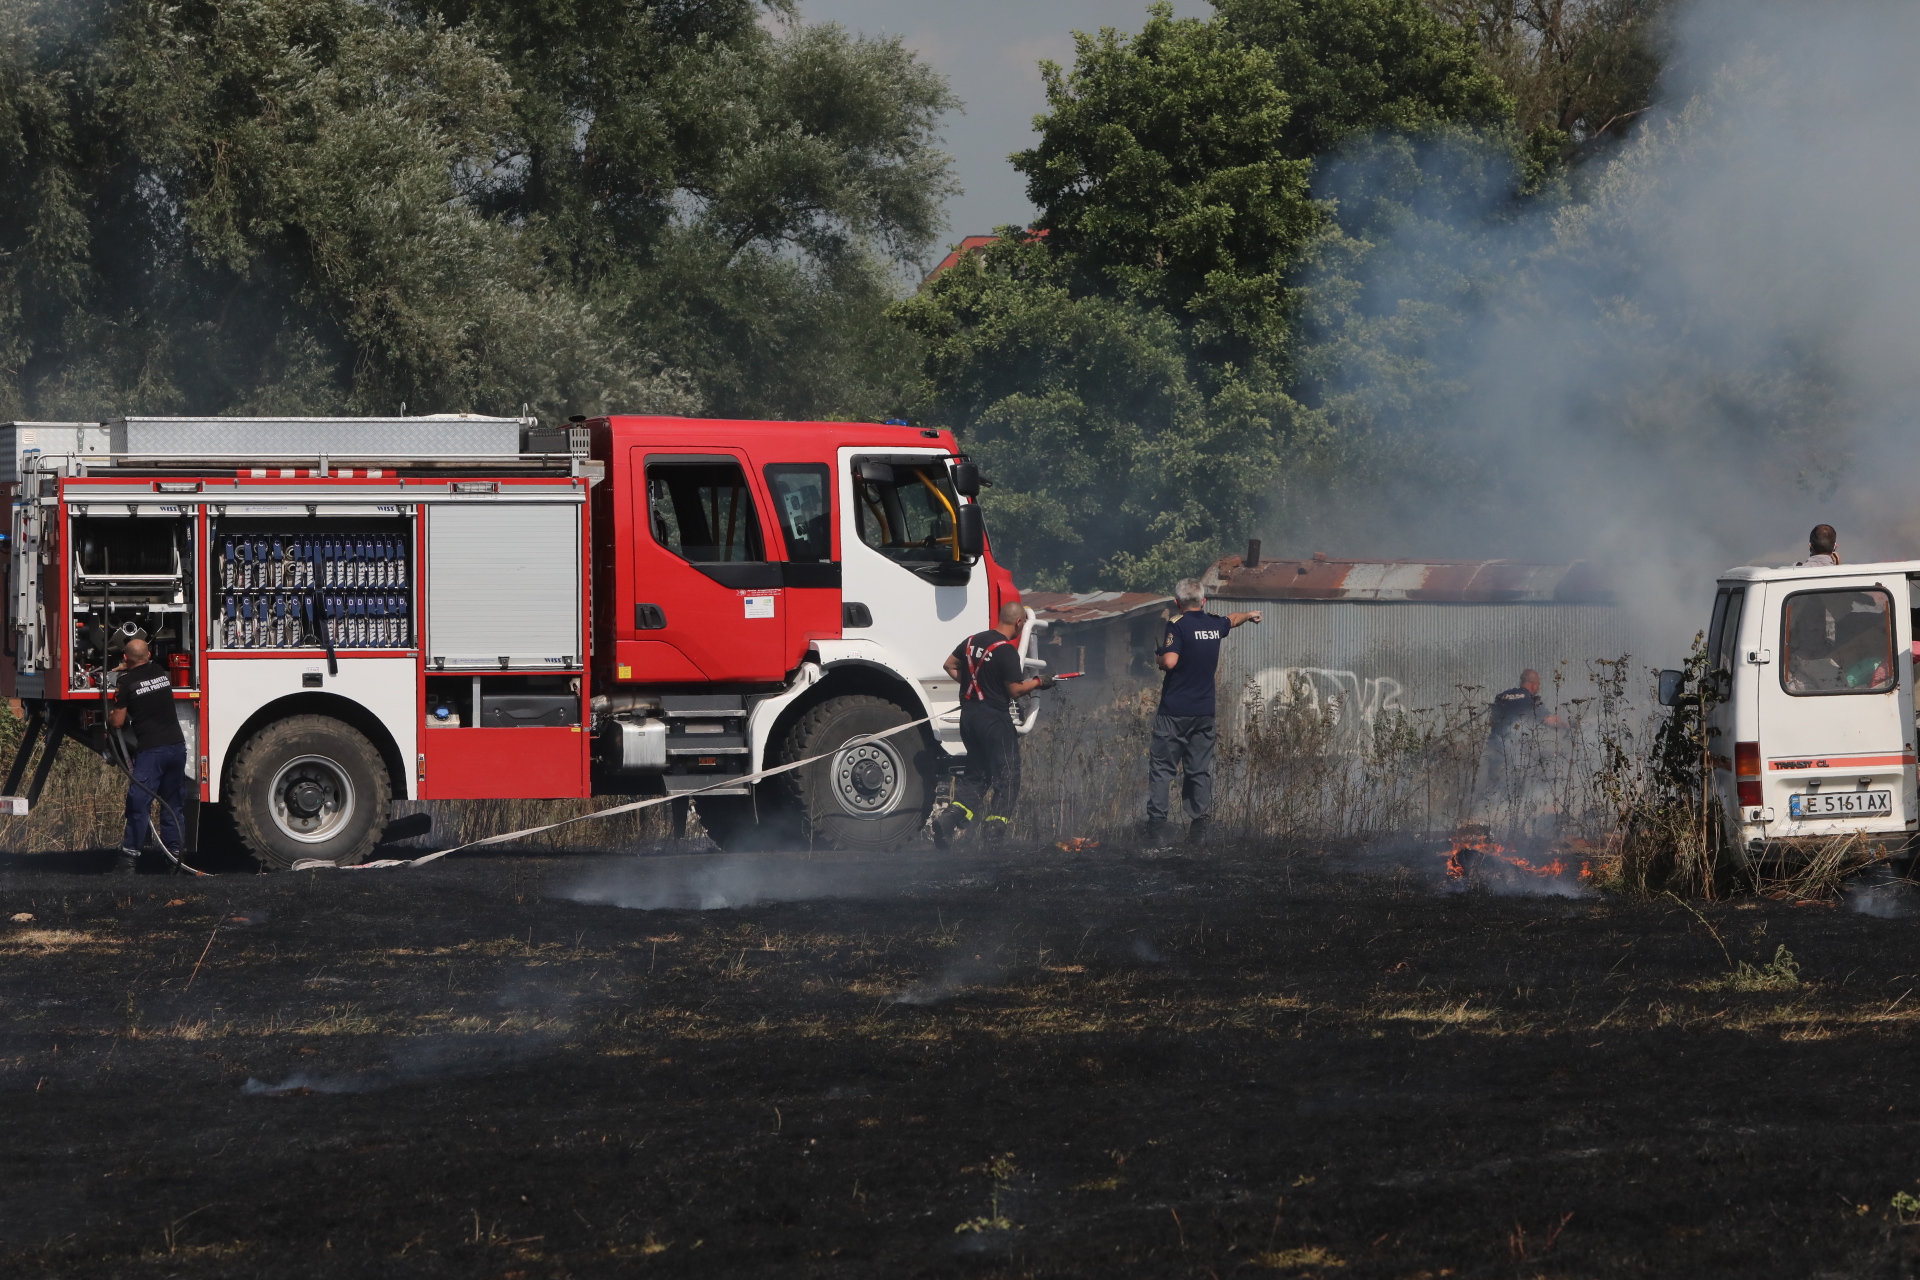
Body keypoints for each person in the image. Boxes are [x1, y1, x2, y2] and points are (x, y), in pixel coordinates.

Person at [1140, 578, 1261, 846]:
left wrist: (1160, 658)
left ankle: (1157, 830)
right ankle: (1199, 830)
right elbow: (1232, 619)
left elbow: (1170, 661)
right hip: (1204, 712)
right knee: (1198, 770)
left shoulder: (1177, 624)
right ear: (1203, 601)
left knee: (1162, 769)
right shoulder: (1213, 624)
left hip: (1174, 712)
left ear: (1177, 602)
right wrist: (1250, 615)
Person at [934, 602, 1054, 845]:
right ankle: (994, 834)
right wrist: (1040, 682)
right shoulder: (1006, 651)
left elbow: (949, 664)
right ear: (1019, 623)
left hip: (969, 719)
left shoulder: (971, 641)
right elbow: (1015, 690)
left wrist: (971, 687)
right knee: (1008, 776)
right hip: (994, 720)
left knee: (976, 776)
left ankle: (948, 820)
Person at [108, 638, 186, 874]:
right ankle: (175, 862)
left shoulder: (126, 682)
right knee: (172, 806)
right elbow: (143, 668)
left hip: (153, 752)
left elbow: (119, 722)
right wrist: (130, 666)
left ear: (124, 658)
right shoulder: (160, 671)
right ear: (149, 654)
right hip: (177, 747)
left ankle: (127, 863)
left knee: (138, 804)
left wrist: (109, 720)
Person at [1484, 669, 1563, 793]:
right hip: (1516, 750)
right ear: (1533, 684)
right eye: (1539, 684)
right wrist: (1568, 725)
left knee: (1494, 786)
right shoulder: (1530, 699)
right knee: (1547, 762)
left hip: (1495, 747)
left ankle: (1485, 805)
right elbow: (1548, 720)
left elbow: (1493, 720)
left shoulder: (1501, 697)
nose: (1538, 687)